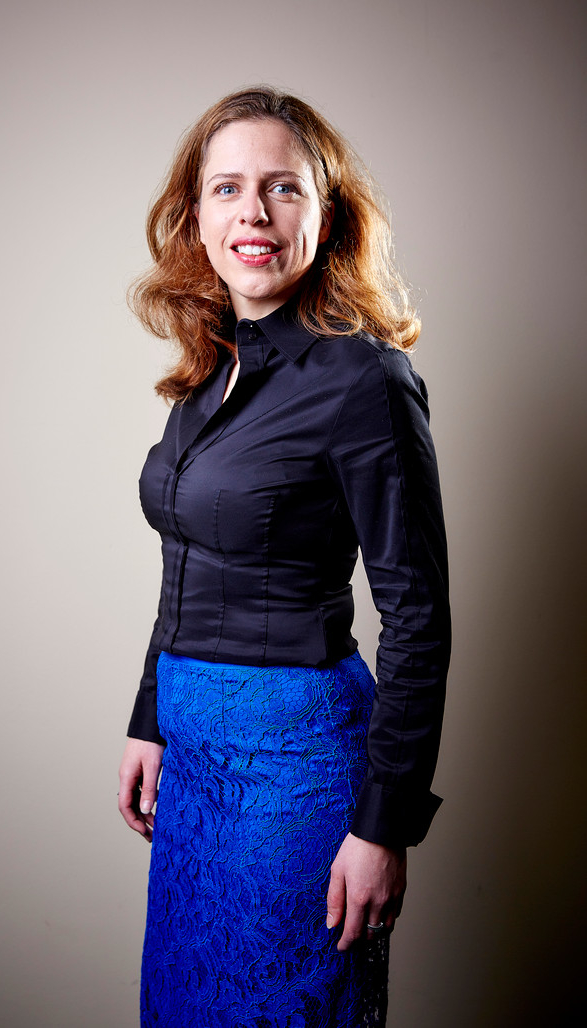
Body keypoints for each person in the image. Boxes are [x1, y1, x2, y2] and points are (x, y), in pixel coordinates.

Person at [118, 86, 450, 1027]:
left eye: (283, 188)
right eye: (226, 189)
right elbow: (187, 562)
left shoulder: (366, 378)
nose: (253, 213)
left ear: (327, 214)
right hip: (194, 765)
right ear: (196, 218)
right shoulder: (210, 372)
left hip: (294, 777)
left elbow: (419, 614)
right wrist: (150, 717)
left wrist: (383, 825)